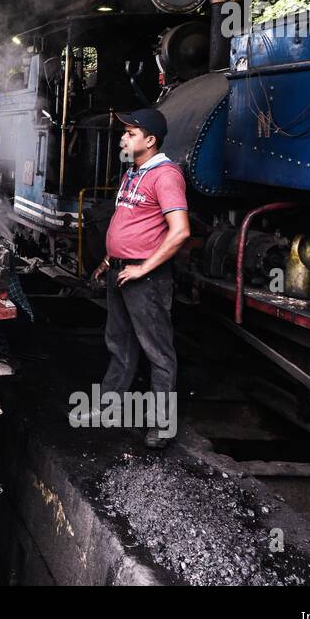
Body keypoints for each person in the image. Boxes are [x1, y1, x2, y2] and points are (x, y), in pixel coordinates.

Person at [88, 109, 190, 449]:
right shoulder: (133, 173)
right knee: (119, 342)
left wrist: (143, 268)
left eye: (131, 133)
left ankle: (162, 427)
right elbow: (129, 222)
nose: (123, 138)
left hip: (145, 278)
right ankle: (108, 406)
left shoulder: (166, 175)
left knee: (157, 351)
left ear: (150, 140)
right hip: (121, 270)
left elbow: (179, 233)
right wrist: (108, 259)